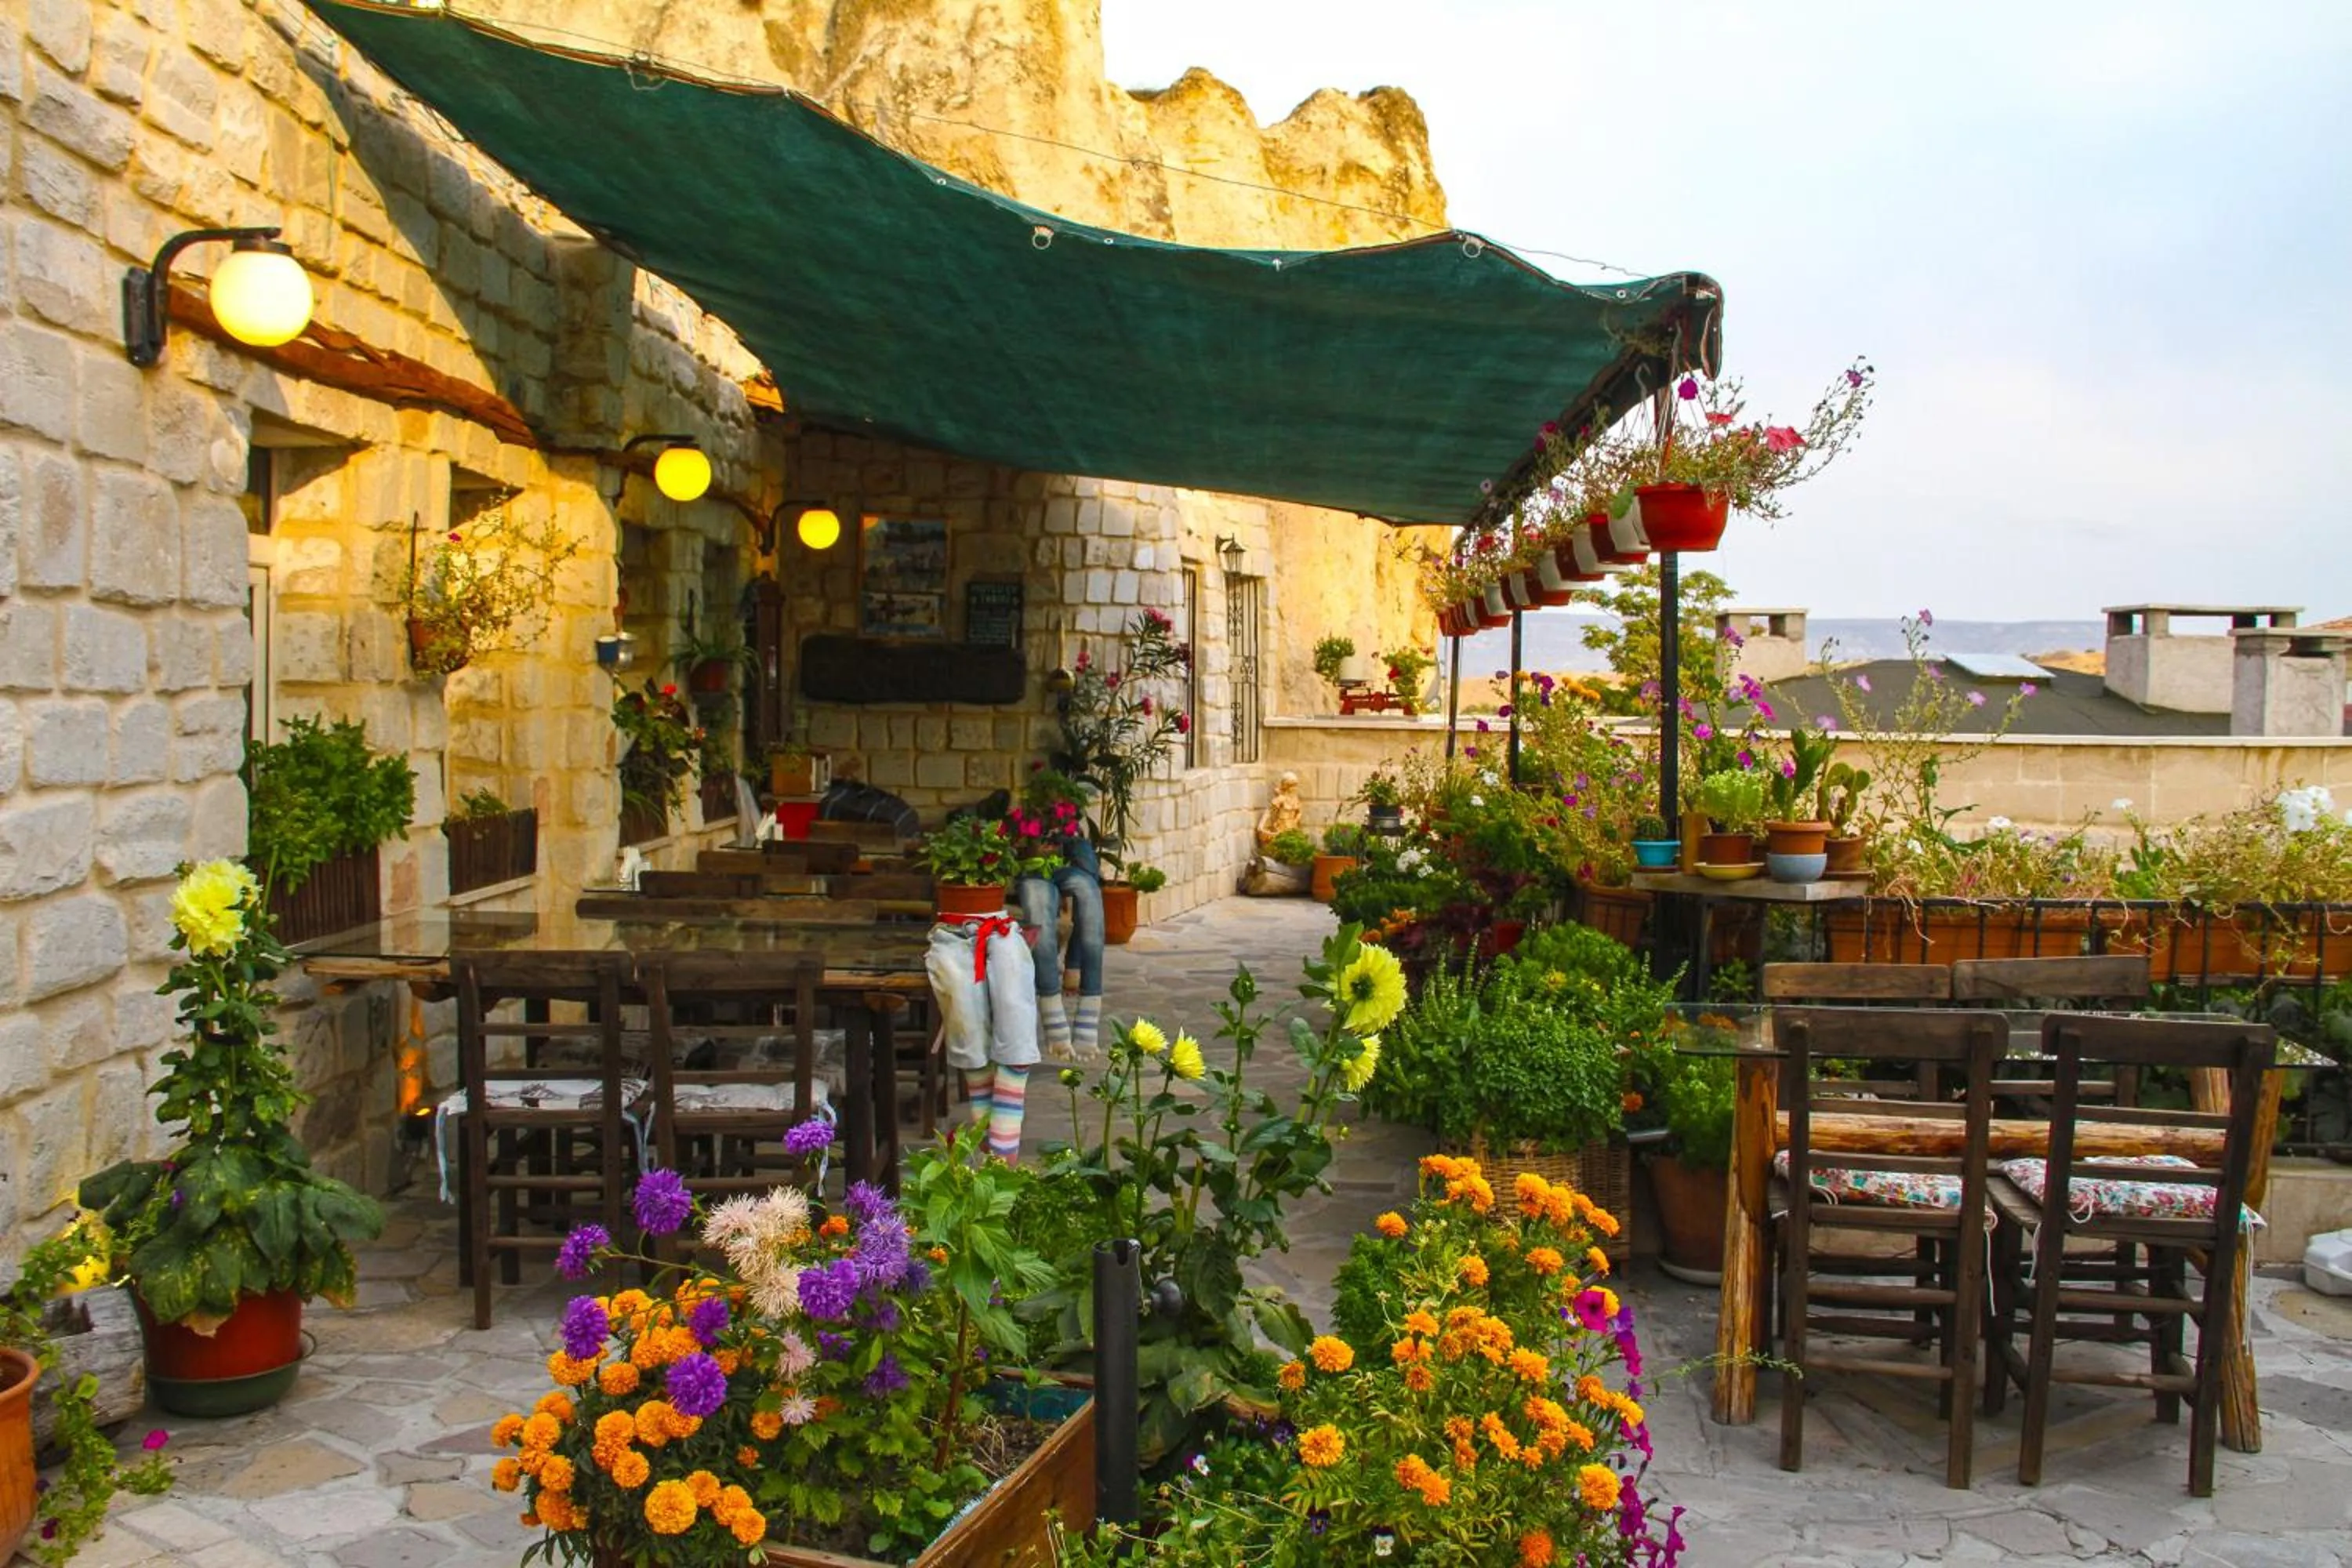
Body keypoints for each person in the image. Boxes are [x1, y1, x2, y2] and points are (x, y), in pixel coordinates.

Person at [1011, 785, 1107, 1062]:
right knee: (1040, 915)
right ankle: (1053, 1016)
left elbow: (1087, 869)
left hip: (1068, 868)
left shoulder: (1073, 833)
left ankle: (1089, 1016)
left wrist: (1070, 838)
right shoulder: (1023, 824)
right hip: (1035, 873)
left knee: (1090, 896)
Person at [1256, 770, 1305, 848]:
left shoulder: (1295, 799)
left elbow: (1299, 812)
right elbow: (1269, 812)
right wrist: (1261, 826)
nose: (1294, 788)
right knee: (1283, 845)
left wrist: (1296, 819)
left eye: (1295, 786)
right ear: (1286, 786)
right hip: (1282, 826)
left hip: (1292, 826)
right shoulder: (1281, 799)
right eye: (1292, 786)